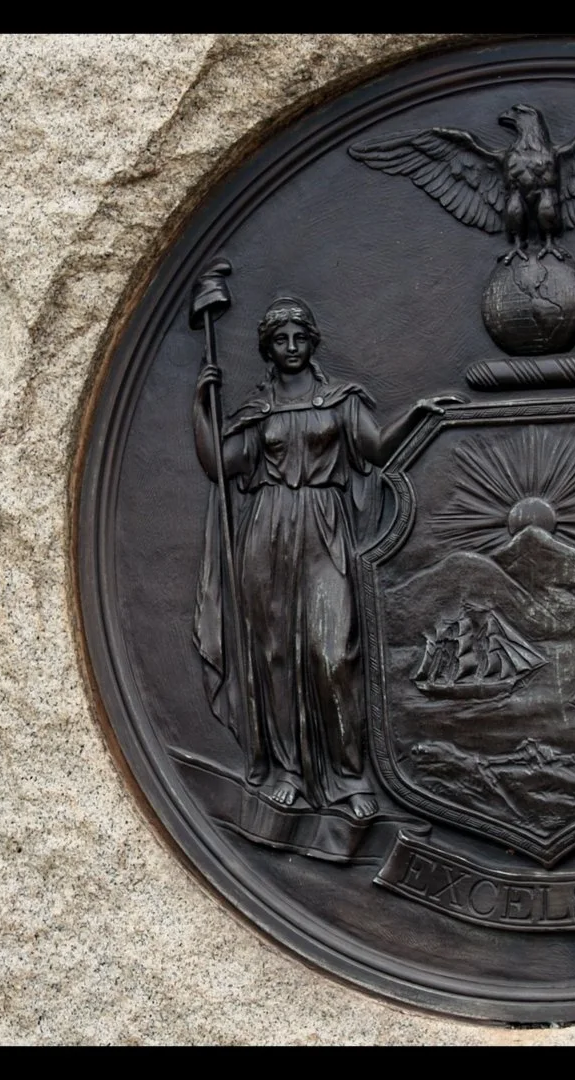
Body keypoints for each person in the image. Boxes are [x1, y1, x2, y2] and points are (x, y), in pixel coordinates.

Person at [193, 296, 460, 819]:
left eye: (299, 338)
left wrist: (416, 417)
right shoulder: (258, 410)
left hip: (325, 528)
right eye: (279, 340)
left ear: (313, 342)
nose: (291, 348)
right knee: (274, 656)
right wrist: (201, 405)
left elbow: (377, 448)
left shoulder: (341, 400)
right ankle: (287, 769)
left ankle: (348, 775)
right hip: (267, 531)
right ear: (267, 349)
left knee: (333, 653)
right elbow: (220, 466)